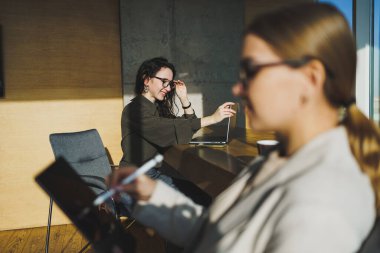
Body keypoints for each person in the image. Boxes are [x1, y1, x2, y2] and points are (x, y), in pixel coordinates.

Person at [111, 3, 380, 252]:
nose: (238, 88)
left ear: (310, 78)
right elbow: (214, 233)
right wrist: (154, 196)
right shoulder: (274, 161)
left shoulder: (322, 206)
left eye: (252, 72)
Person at [120, 57, 235, 205]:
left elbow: (185, 123)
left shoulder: (156, 108)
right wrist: (212, 119)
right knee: (201, 198)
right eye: (164, 82)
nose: (168, 88)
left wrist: (184, 99)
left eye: (170, 84)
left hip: (154, 173)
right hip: (136, 178)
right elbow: (167, 128)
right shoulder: (133, 110)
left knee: (205, 193)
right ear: (147, 80)